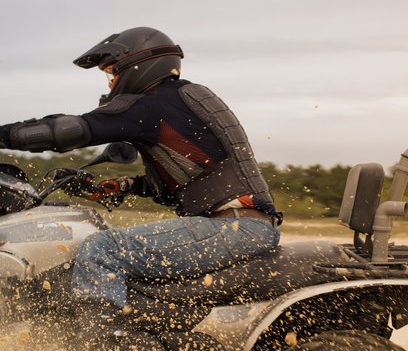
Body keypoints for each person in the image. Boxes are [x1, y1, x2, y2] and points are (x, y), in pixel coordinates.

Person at [0, 27, 282, 320]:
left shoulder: (152, 104)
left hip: (234, 228)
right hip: (243, 227)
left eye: (112, 73)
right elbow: (189, 179)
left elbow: (67, 131)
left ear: (136, 65)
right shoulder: (178, 99)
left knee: (102, 249)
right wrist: (125, 185)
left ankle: (100, 343)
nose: (111, 85)